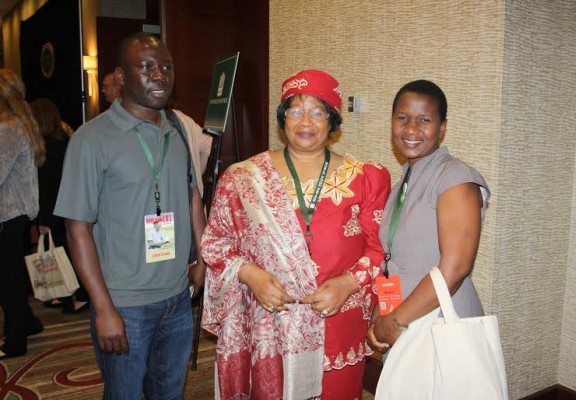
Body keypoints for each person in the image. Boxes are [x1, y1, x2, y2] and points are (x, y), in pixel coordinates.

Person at [201, 69, 391, 399]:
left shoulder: (365, 178)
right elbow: (215, 242)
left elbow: (380, 251)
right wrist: (252, 275)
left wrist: (347, 284)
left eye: (318, 112)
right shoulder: (243, 179)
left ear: (332, 122)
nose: (306, 121)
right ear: (283, 118)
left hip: (338, 322)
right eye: (296, 110)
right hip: (269, 326)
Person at [54, 32, 206, 399]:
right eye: (147, 67)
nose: (160, 75)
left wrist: (203, 260)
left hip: (177, 297)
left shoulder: (177, 130)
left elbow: (191, 198)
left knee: (170, 393)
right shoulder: (91, 140)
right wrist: (103, 307)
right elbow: (77, 229)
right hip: (124, 303)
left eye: (166, 67)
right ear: (121, 77)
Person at [367, 80, 490, 356]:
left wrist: (396, 321)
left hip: (441, 325)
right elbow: (395, 259)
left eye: (424, 120)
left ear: (442, 128)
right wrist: (383, 312)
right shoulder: (403, 183)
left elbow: (455, 268)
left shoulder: (455, 179)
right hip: (405, 322)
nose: (411, 129)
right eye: (402, 118)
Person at [0, 68, 45, 359]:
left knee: (8, 279)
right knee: (12, 274)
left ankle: (16, 340)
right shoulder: (22, 123)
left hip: (8, 213)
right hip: (16, 212)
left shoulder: (9, 127)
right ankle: (28, 323)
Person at [30, 98, 89, 314]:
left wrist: (43, 219)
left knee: (65, 253)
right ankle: (66, 294)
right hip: (67, 205)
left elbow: (47, 187)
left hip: (55, 208)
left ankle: (79, 294)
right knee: (65, 252)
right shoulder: (66, 139)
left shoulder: (48, 147)